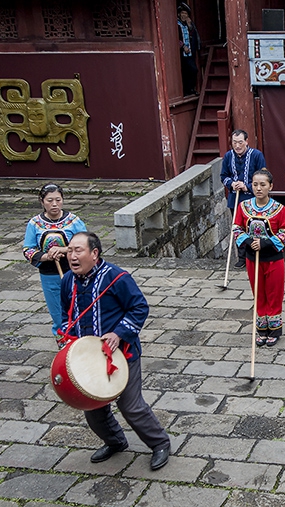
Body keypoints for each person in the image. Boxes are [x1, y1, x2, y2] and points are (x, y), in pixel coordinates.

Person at [59, 232, 171, 471]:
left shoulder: (117, 277)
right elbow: (65, 314)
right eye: (70, 250)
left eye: (78, 250)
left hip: (122, 354)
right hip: (88, 359)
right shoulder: (67, 280)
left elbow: (139, 307)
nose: (72, 256)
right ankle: (115, 441)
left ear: (94, 253)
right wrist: (65, 336)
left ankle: (160, 443)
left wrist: (118, 333)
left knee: (130, 405)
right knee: (93, 409)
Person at [233, 170, 285, 345]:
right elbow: (236, 228)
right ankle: (261, 329)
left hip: (273, 259)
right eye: (255, 184)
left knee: (274, 294)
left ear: (270, 186)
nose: (258, 188)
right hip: (253, 259)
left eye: (263, 185)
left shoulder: (279, 209)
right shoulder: (244, 207)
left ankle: (273, 330)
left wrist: (265, 243)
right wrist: (249, 241)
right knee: (258, 293)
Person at [22, 183, 87, 336]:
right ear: (42, 201)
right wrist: (46, 256)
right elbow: (28, 249)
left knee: (80, 310)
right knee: (58, 315)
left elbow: (87, 243)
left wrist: (64, 249)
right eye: (50, 200)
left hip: (74, 272)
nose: (54, 204)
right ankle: (64, 345)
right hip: (49, 275)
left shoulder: (73, 221)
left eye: (58, 200)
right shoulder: (35, 224)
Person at [220, 129, 268, 268]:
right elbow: (224, 176)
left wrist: (247, 186)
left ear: (246, 141)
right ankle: (241, 257)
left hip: (253, 199)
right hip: (235, 198)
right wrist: (232, 184)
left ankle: (255, 255)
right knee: (238, 228)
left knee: (255, 227)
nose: (237, 145)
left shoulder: (257, 155)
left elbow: (263, 176)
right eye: (234, 142)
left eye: (240, 142)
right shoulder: (228, 156)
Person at [177, 3, 200, 96]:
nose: (184, 15)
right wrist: (183, 46)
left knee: (193, 70)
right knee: (186, 71)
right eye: (182, 13)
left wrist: (190, 26)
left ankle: (191, 89)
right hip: (181, 53)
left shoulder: (189, 25)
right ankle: (187, 90)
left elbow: (194, 37)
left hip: (190, 53)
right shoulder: (177, 24)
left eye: (186, 14)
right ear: (179, 14)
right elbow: (175, 38)